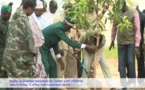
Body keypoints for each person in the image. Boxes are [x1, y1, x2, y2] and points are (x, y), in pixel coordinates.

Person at [109, 0, 141, 89]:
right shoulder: (117, 14)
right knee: (121, 64)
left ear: (124, 5)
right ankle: (123, 84)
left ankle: (132, 83)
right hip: (120, 43)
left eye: (120, 8)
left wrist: (137, 45)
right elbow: (114, 27)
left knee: (131, 62)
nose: (119, 10)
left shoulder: (133, 13)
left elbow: (137, 29)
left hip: (131, 42)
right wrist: (112, 40)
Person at [2, 0, 36, 78]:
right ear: (29, 9)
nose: (33, 12)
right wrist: (33, 53)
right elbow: (29, 38)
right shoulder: (24, 19)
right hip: (18, 55)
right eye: (33, 10)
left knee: (9, 77)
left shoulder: (14, 17)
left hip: (8, 54)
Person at [28, 0, 47, 79]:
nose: (41, 12)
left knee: (40, 68)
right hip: (33, 48)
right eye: (39, 11)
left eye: (42, 11)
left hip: (42, 46)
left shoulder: (43, 19)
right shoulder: (30, 18)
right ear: (35, 10)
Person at [135, 6, 145, 80]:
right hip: (138, 41)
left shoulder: (142, 15)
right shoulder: (142, 15)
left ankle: (141, 79)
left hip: (140, 41)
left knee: (140, 62)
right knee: (140, 61)